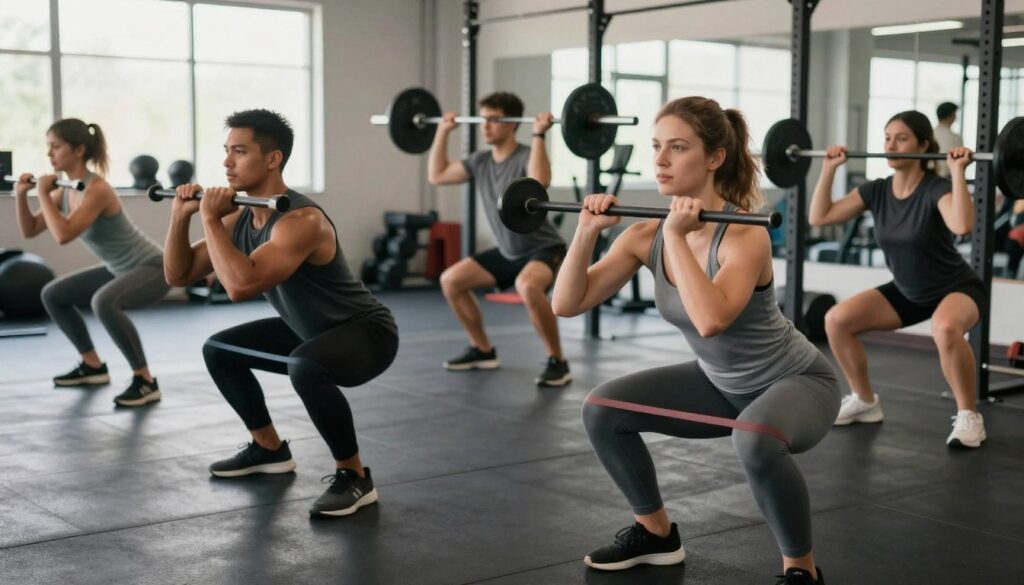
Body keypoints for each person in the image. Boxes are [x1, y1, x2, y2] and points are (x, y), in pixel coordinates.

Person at [554, 97, 840, 584]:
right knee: (602, 410)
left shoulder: (744, 235)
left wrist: (678, 238)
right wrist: (585, 232)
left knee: (753, 437)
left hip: (797, 383)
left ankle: (801, 570)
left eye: (678, 147)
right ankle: (656, 534)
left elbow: (711, 321)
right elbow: (566, 303)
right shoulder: (643, 236)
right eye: (656, 147)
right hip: (720, 384)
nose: (661, 160)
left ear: (715, 158)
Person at [163, 109, 398, 517]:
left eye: (239, 151)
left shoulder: (302, 221)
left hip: (366, 333)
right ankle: (268, 448)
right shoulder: (240, 216)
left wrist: (209, 219)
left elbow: (239, 286)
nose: (226, 162)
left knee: (304, 365)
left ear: (273, 158)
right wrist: (179, 219)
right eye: (226, 151)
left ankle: (354, 476)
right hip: (308, 330)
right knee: (220, 350)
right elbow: (178, 274)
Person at [809, 110, 986, 448]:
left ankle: (969, 416)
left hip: (956, 288)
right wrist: (829, 169)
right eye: (887, 138)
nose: (890, 146)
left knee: (946, 328)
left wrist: (958, 172)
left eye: (901, 139)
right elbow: (820, 217)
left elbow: (962, 225)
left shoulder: (935, 188)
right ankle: (865, 401)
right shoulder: (876, 190)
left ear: (923, 146)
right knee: (837, 320)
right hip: (909, 291)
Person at [14, 119, 168, 407]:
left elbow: (63, 235)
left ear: (79, 150)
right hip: (118, 268)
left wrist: (43, 194)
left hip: (152, 267)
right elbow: (30, 229)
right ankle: (92, 365)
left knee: (104, 302)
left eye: (56, 146)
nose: (49, 153)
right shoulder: (65, 190)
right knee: (53, 294)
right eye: (48, 147)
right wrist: (23, 196)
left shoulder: (96, 189)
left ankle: (145, 380)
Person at [428, 92, 571, 387]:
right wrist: (442, 131)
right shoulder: (480, 161)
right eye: (483, 119)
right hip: (509, 251)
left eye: (493, 119)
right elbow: (438, 175)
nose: (485, 126)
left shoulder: (525, 155)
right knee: (451, 281)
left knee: (528, 286)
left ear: (512, 123)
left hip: (543, 247)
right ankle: (482, 350)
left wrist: (539, 134)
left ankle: (558, 361)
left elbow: (540, 181)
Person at [933, 102, 963, 178]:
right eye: (955, 115)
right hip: (948, 178)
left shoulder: (929, 134)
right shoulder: (956, 138)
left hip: (929, 177)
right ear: (951, 116)